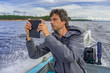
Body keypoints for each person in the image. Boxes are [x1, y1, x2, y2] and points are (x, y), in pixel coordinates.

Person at [24, 9, 86, 73]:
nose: (51, 22)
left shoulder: (76, 36)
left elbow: (70, 57)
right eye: (51, 20)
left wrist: (47, 35)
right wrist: (29, 37)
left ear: (64, 21)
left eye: (54, 19)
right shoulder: (52, 38)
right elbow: (34, 54)